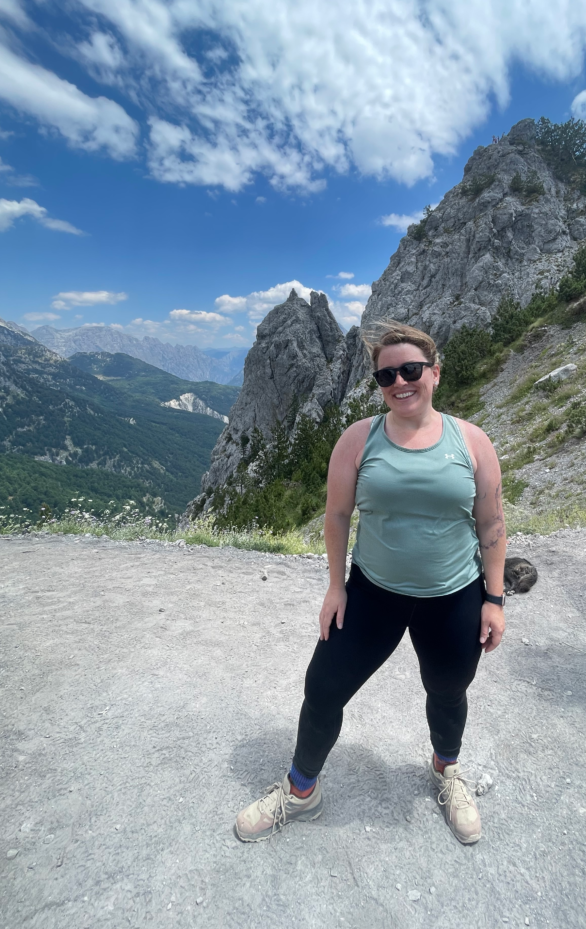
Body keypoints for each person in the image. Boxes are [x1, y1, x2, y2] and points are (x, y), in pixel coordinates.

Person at [234, 323, 507, 844]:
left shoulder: (471, 441)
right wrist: (335, 587)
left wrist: (493, 598)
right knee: (323, 687)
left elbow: (491, 523)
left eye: (411, 370)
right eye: (387, 375)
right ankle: (300, 792)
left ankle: (446, 771)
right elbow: (336, 516)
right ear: (379, 382)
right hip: (372, 592)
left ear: (435, 373)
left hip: (453, 595)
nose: (400, 382)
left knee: (448, 690)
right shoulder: (359, 438)